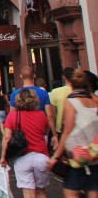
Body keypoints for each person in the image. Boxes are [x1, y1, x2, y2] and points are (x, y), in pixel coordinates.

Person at [48, 69, 98, 197]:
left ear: (71, 84)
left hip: (78, 156)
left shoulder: (71, 102)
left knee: (70, 192)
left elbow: (67, 132)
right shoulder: (96, 101)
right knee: (93, 190)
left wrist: (55, 156)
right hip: (95, 155)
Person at [1, 88, 51, 198]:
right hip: (41, 157)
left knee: (29, 194)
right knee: (41, 192)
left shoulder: (12, 116)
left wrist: (3, 157)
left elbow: (6, 137)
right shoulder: (42, 115)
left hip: (22, 159)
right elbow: (45, 132)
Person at [11, 65, 56, 135]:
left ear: (21, 76)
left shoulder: (15, 94)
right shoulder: (43, 93)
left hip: (22, 132)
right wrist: (54, 134)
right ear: (34, 76)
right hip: (40, 129)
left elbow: (12, 115)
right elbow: (50, 116)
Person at [50, 67, 76, 137]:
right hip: (77, 127)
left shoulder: (55, 92)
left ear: (64, 78)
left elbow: (53, 114)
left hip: (61, 128)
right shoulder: (80, 91)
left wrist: (55, 133)